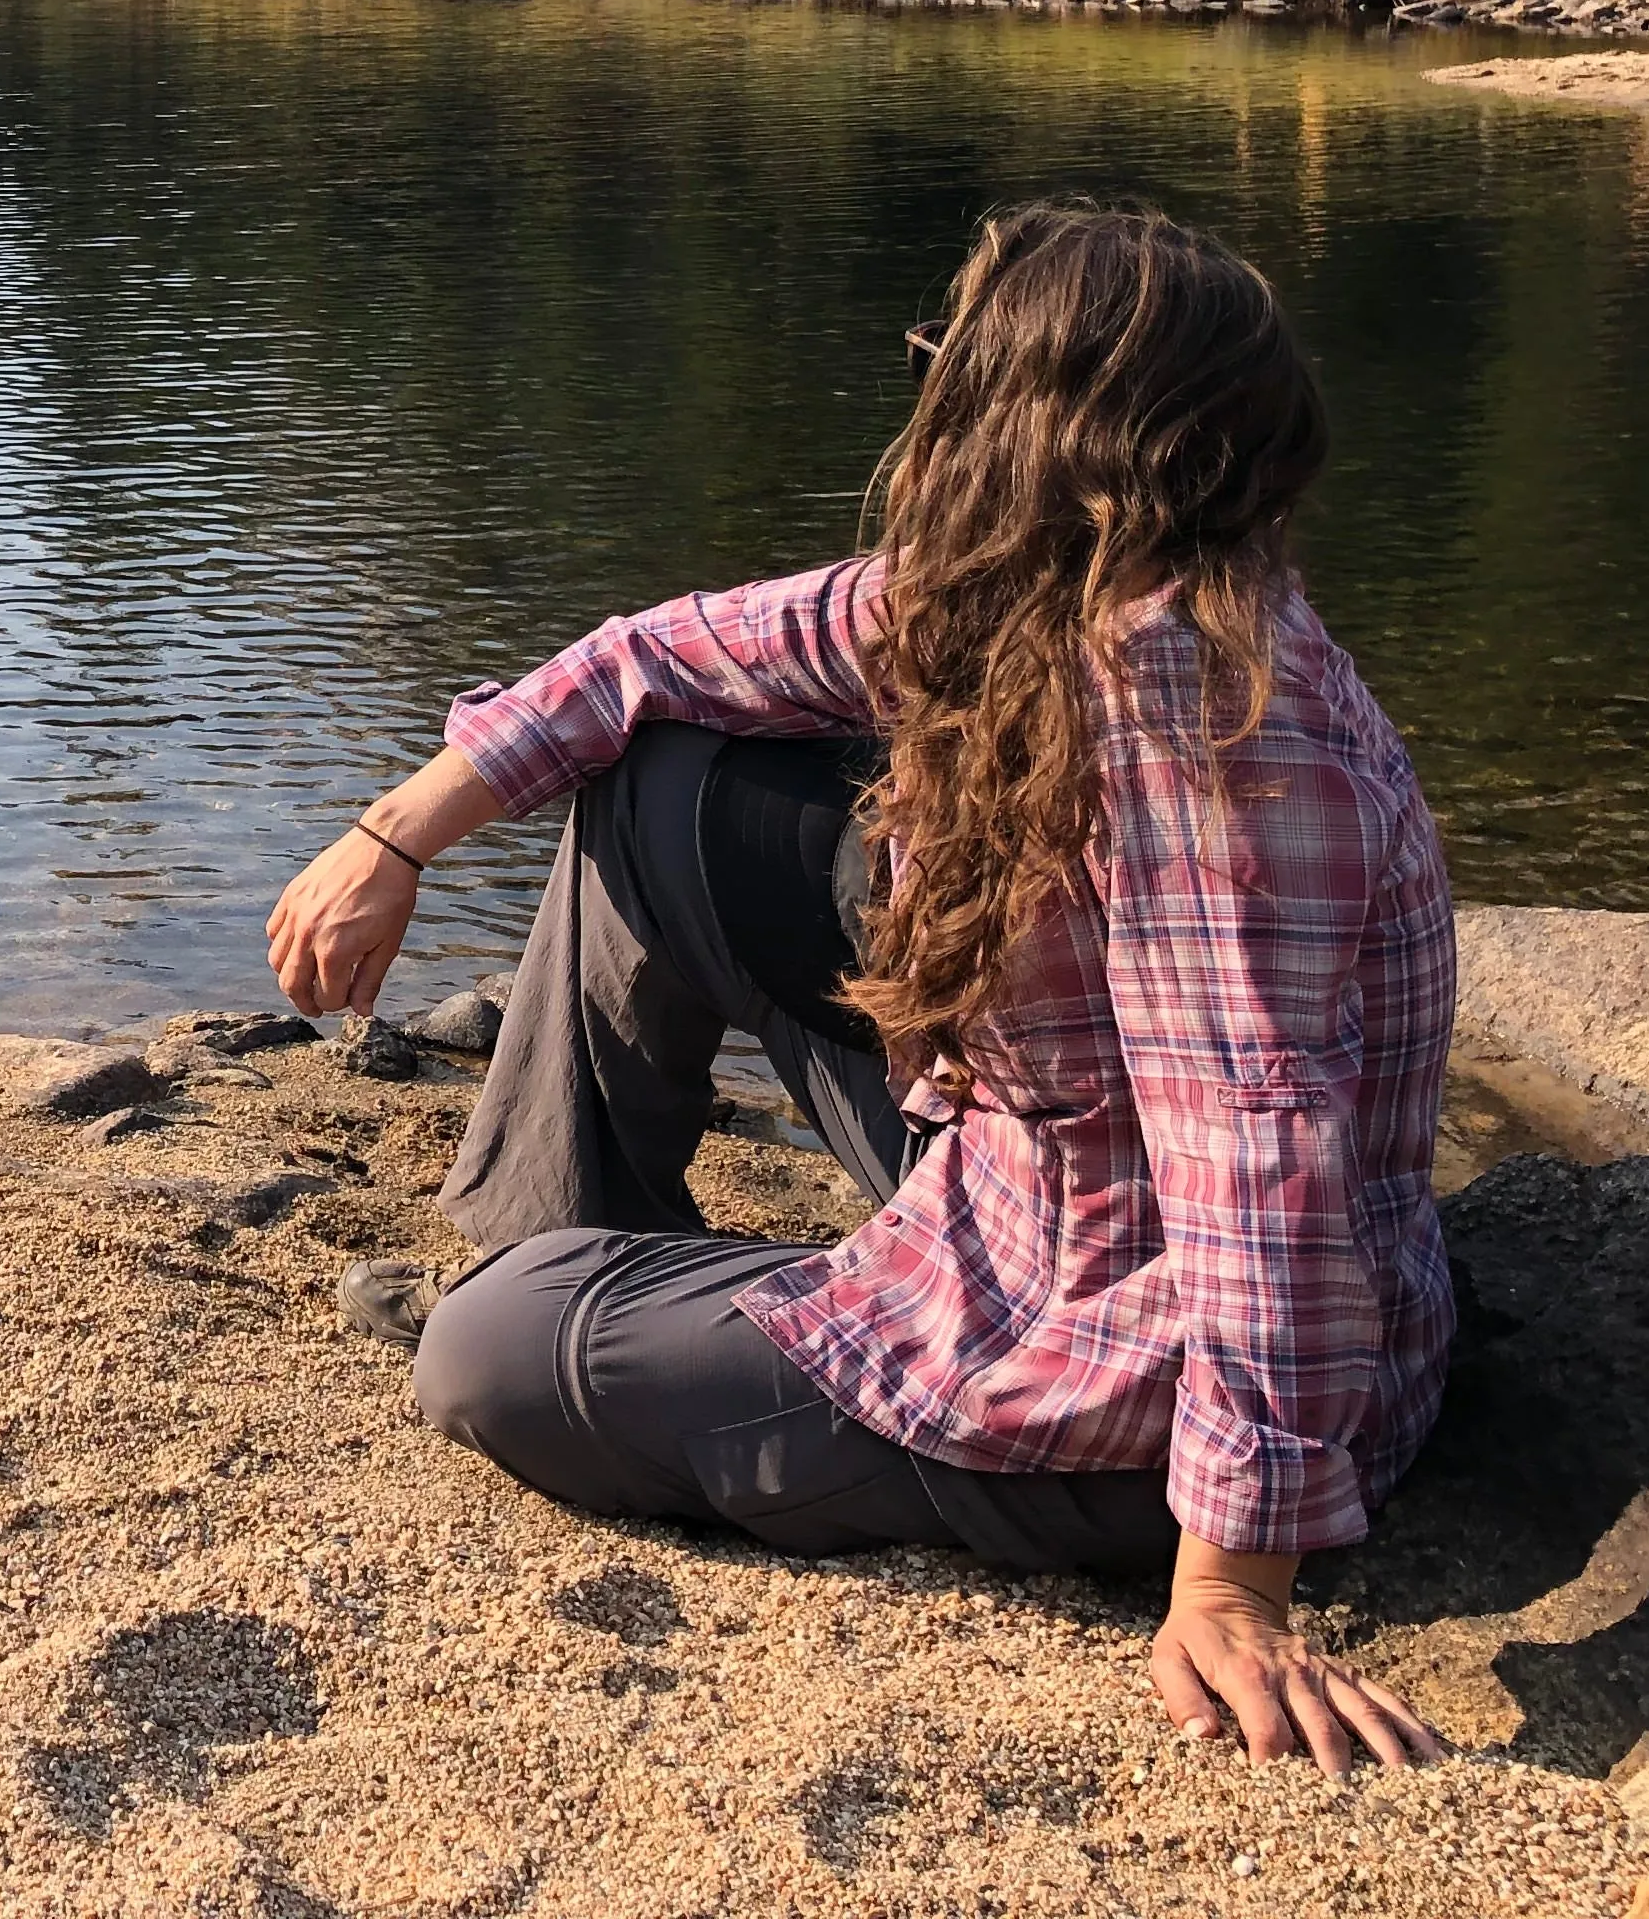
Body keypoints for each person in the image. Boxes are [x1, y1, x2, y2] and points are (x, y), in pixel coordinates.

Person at [266, 203, 1453, 1776]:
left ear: (1030, 425)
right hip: (1044, 1179)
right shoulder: (1034, 605)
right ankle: (581, 1238)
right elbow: (652, 659)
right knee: (669, 777)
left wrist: (1233, 1583)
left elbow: (1260, 1165)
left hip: (1133, 1369)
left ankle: (582, 1293)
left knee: (489, 1354)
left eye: (944, 365)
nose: (924, 395)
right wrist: (392, 834)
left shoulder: (1201, 734)